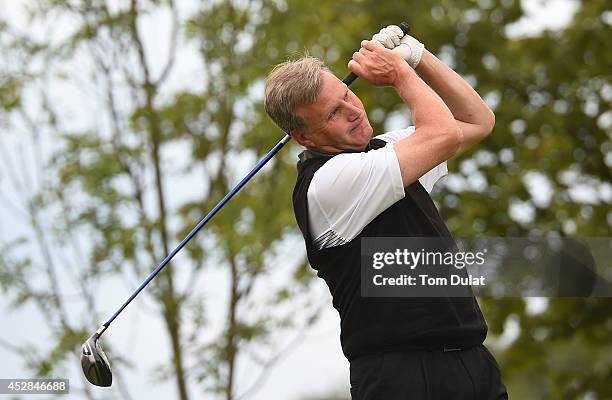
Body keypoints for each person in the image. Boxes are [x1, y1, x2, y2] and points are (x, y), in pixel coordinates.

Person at [264, 25, 508, 400]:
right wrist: (399, 74)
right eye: (333, 113)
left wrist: (417, 56)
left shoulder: (382, 151)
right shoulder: (328, 183)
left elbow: (477, 121)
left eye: (347, 94)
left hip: (471, 362)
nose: (353, 111)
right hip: (400, 377)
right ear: (305, 137)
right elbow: (442, 134)